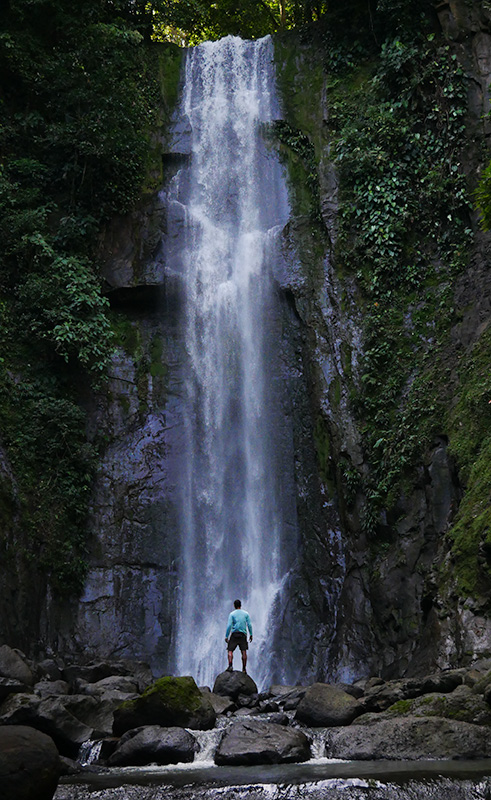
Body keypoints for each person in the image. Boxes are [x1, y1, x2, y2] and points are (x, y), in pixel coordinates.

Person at [225, 599, 253, 673]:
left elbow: (229, 625)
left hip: (234, 634)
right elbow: (249, 625)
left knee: (230, 651)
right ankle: (244, 669)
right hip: (243, 634)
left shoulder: (232, 614)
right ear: (240, 605)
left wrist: (226, 636)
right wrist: (251, 634)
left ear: (234, 606)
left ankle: (230, 665)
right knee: (244, 651)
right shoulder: (246, 614)